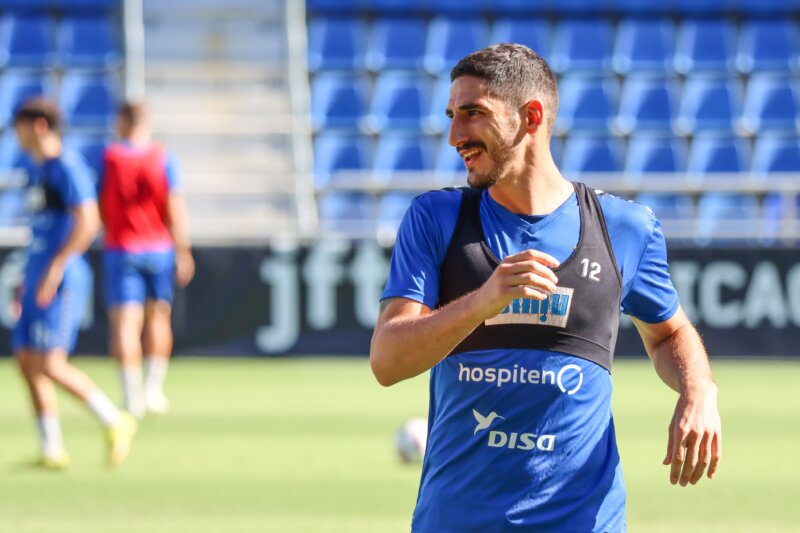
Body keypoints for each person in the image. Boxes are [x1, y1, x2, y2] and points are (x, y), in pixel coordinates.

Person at [370, 44, 722, 532]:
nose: (454, 134)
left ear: (530, 116)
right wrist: (481, 303)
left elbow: (668, 334)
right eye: (452, 115)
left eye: (472, 114)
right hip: (457, 522)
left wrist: (699, 389)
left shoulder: (624, 226)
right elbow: (387, 361)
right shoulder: (436, 219)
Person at [12, 98, 137, 469]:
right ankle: (51, 448)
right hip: (37, 275)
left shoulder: (67, 167)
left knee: (50, 362)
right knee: (25, 360)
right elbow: (40, 233)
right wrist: (27, 276)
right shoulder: (38, 169)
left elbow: (89, 221)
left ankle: (114, 420)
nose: (13, 134)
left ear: (38, 126)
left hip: (60, 278)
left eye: (18, 125)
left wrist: (57, 266)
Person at [98, 101, 194, 419]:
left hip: (122, 247)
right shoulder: (163, 157)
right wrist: (183, 250)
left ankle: (132, 394)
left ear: (124, 121)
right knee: (158, 318)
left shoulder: (109, 158)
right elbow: (175, 206)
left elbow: (97, 203)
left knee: (126, 323)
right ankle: (154, 389)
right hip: (159, 248)